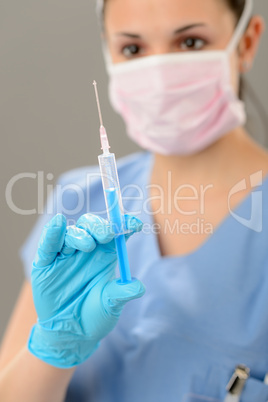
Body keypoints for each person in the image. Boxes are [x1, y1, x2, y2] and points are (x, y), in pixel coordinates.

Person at [0, 0, 268, 400]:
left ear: (245, 43)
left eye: (191, 42)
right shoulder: (80, 203)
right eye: (133, 49)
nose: (159, 73)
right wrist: (54, 349)